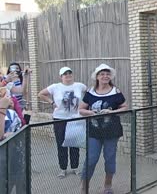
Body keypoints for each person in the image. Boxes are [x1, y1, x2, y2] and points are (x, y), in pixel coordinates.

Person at [79, 64, 128, 194]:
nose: (105, 76)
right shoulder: (90, 92)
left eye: (107, 74)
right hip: (94, 132)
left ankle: (108, 185)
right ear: (97, 77)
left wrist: (112, 112)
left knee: (110, 158)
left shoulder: (116, 91)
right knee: (91, 159)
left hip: (112, 132)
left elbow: (124, 107)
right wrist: (91, 113)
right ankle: (84, 186)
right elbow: (81, 109)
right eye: (102, 74)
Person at [38, 67, 87, 178]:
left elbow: (88, 94)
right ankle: (63, 169)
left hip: (75, 119)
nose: (68, 75)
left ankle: (75, 167)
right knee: (61, 144)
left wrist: (84, 106)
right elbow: (41, 94)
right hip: (60, 119)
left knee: (74, 144)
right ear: (61, 76)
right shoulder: (55, 87)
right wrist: (51, 102)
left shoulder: (80, 86)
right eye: (65, 74)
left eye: (70, 73)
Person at [0, 86, 24, 194]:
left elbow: (19, 132)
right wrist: (2, 109)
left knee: (15, 181)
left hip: (12, 155)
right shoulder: (4, 112)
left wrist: (14, 134)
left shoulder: (12, 114)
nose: (9, 97)